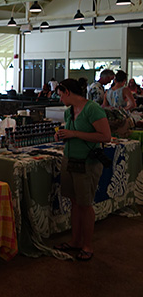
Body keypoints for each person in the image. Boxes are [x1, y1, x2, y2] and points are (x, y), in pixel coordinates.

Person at [54, 79, 111, 261]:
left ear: (68, 92)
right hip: (70, 160)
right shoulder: (70, 112)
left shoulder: (92, 109)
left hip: (87, 162)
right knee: (75, 202)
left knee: (85, 204)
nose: (60, 98)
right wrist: (62, 134)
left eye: (61, 94)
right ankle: (75, 240)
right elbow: (72, 133)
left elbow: (106, 136)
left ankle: (87, 245)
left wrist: (74, 134)